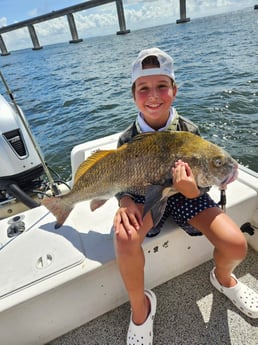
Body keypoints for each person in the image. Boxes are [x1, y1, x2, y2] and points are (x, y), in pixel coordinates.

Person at [113, 47, 258, 345]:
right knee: (124, 237)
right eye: (144, 88)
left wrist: (195, 191)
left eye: (162, 86)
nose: (153, 95)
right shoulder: (126, 139)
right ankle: (141, 309)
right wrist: (125, 201)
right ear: (133, 95)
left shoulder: (190, 131)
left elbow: (206, 174)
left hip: (186, 195)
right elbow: (119, 179)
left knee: (235, 245)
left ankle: (223, 278)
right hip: (147, 195)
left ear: (174, 91)